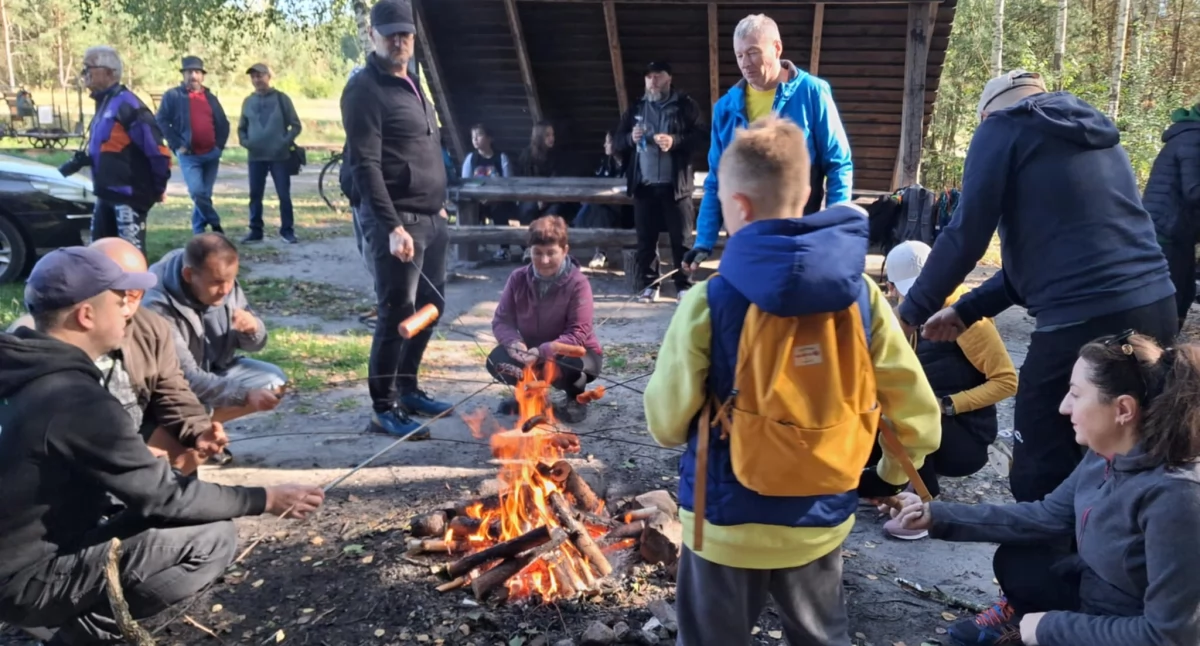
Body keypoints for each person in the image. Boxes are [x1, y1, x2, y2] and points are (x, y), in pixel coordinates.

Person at [892, 69, 1179, 637]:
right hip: (1156, 307)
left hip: (1079, 320)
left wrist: (910, 313)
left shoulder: (1002, 130)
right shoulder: (1097, 134)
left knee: (1040, 469)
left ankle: (1036, 609)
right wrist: (966, 310)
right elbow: (1045, 256)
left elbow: (965, 232)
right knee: (1128, 454)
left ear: (988, 116)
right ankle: (1117, 604)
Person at [643, 116, 940, 646]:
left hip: (723, 524)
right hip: (819, 517)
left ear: (737, 205)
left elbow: (666, 425)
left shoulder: (708, 302)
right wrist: (892, 473)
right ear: (805, 193)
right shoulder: (864, 298)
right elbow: (918, 416)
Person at [0, 247, 324, 646]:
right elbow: (164, 498)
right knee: (212, 538)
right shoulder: (73, 399)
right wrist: (267, 497)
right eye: (120, 301)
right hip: (23, 580)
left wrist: (191, 433)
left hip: (31, 551)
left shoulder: (22, 368)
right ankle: (84, 631)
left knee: (182, 514)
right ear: (86, 315)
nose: (127, 310)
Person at [884, 332, 1200, 646]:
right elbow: (1047, 515)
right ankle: (1026, 619)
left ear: (1123, 410)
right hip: (1093, 593)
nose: (1064, 407)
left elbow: (1169, 635)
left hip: (1131, 626)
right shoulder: (1106, 451)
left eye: (1076, 395)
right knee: (1022, 561)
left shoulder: (1176, 498)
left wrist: (1051, 627)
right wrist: (935, 515)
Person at [6, 238, 229, 476]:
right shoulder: (44, 338)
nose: (131, 300)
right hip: (67, 458)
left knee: (183, 456)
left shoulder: (152, 328)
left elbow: (173, 391)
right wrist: (122, 456)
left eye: (138, 290)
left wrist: (198, 430)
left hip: (128, 435)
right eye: (122, 291)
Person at [341, 0, 454, 438]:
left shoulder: (412, 80)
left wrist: (438, 205)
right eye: (390, 33)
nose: (399, 41)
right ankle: (382, 406)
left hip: (431, 217)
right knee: (396, 312)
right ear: (373, 35)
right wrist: (392, 226)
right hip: (397, 222)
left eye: (404, 33)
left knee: (432, 306)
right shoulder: (364, 89)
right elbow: (367, 165)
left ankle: (407, 388)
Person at [684, 13, 853, 274]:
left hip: (800, 232)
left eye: (752, 52)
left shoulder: (812, 93)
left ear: (777, 48)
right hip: (745, 237)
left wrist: (835, 226)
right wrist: (704, 240)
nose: (745, 63)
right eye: (739, 55)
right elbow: (717, 179)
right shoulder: (726, 108)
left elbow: (839, 164)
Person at [879, 241, 1017, 539]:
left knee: (909, 414)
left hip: (966, 438)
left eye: (924, 288)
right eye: (908, 290)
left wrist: (949, 404)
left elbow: (1007, 381)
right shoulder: (896, 319)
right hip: (933, 430)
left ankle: (924, 507)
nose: (922, 299)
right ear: (890, 287)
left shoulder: (967, 320)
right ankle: (890, 487)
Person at [144, 234, 286, 424]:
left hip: (215, 368)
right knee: (198, 407)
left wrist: (253, 329)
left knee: (274, 382)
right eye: (217, 282)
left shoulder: (221, 276)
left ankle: (204, 433)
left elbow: (254, 345)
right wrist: (244, 394)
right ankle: (187, 440)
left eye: (232, 279)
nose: (226, 290)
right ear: (188, 275)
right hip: (171, 387)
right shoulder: (157, 305)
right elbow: (185, 377)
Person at [55, 46, 171, 256]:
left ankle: (137, 290)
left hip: (127, 198)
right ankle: (103, 290)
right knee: (99, 256)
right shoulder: (106, 101)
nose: (84, 74)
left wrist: (156, 189)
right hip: (105, 195)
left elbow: (158, 152)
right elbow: (112, 147)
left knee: (128, 259)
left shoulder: (128, 104)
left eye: (88, 68)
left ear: (109, 72)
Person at [489, 216, 602, 423]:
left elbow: (578, 332)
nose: (544, 260)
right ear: (529, 251)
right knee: (496, 359)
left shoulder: (578, 283)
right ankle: (531, 396)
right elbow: (501, 321)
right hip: (529, 351)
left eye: (551, 253)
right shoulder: (518, 278)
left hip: (575, 352)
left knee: (571, 364)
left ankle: (575, 398)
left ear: (565, 250)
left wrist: (543, 351)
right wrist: (513, 343)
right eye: (537, 253)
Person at [613, 61, 706, 303]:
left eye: (658, 76)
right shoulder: (636, 107)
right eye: (649, 77)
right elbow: (617, 141)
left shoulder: (685, 106)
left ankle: (684, 285)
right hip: (644, 185)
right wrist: (630, 139)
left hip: (676, 186)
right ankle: (649, 285)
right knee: (646, 239)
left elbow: (701, 137)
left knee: (682, 240)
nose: (652, 81)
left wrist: (675, 141)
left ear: (669, 79)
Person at [1143, 95, 1200, 332]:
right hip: (1166, 232)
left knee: (1184, 294)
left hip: (1176, 232)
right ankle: (1156, 359)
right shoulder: (1194, 139)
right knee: (1172, 301)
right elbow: (1194, 190)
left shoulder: (1189, 134)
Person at [157, 55, 230, 234]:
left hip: (211, 154)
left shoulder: (210, 98)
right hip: (189, 155)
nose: (193, 76)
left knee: (204, 195)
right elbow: (161, 120)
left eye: (197, 72)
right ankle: (215, 224)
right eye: (189, 72)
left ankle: (199, 232)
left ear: (202, 76)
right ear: (184, 75)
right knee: (197, 193)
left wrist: (219, 147)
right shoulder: (173, 96)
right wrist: (176, 144)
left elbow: (223, 123)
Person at [238, 62, 303, 244]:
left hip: (279, 157)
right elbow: (242, 128)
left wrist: (283, 142)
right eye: (253, 76)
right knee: (255, 195)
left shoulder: (282, 99)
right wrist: (246, 142)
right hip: (255, 157)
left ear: (269, 76)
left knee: (283, 195)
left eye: (260, 75)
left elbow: (296, 125)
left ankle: (287, 230)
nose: (257, 79)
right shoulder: (248, 102)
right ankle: (255, 230)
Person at [461, 123, 519, 262]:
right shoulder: (471, 159)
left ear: (489, 138)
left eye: (479, 135)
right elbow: (465, 182)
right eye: (472, 136)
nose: (475, 139)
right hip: (477, 200)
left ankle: (504, 249)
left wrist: (495, 197)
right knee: (468, 210)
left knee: (500, 210)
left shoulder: (501, 158)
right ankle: (471, 249)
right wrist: (478, 197)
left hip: (499, 199)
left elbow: (508, 183)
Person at [517, 121, 566, 226]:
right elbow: (525, 181)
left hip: (552, 197)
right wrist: (537, 198)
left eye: (552, 135)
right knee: (528, 209)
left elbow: (556, 179)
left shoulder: (556, 154)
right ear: (539, 136)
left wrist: (546, 198)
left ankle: (547, 241)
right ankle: (528, 240)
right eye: (547, 135)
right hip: (530, 196)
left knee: (553, 212)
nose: (551, 138)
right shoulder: (527, 155)